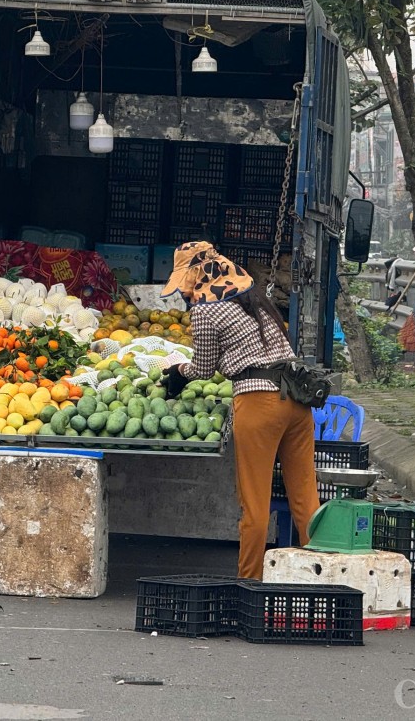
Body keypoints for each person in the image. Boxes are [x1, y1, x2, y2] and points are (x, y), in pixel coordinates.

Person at [159, 240, 320, 580]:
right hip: (297, 401)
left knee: (254, 504)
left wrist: (177, 374)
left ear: (192, 278)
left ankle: (250, 582)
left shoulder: (205, 311)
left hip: (259, 404)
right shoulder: (254, 298)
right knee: (306, 499)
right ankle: (319, 577)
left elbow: (203, 368)